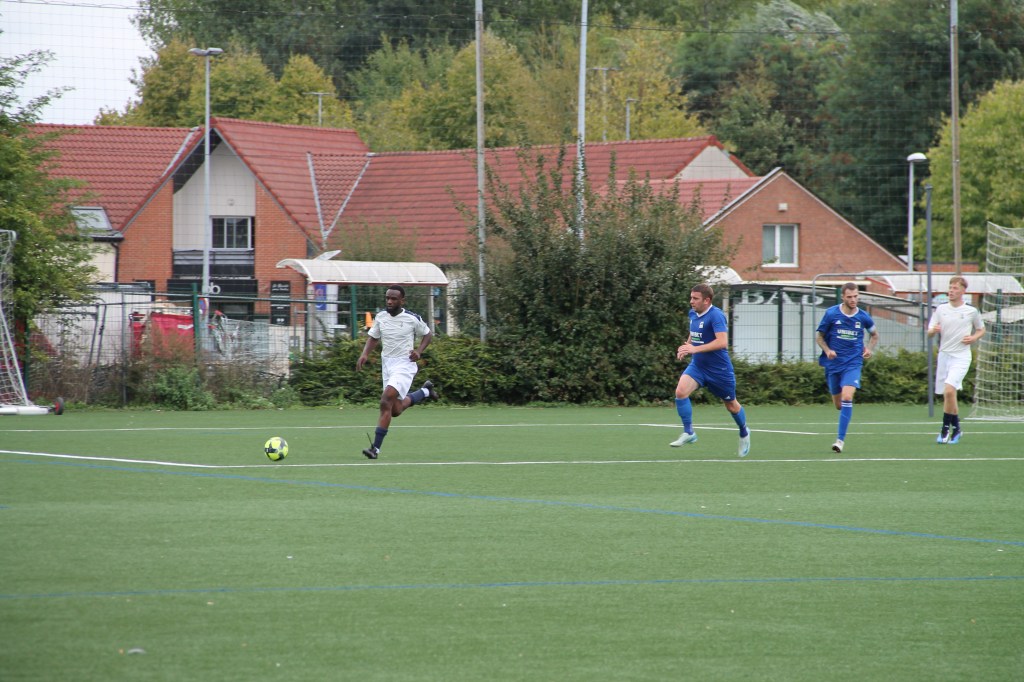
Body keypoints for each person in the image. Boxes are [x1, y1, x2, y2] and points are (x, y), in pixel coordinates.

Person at [356, 285, 438, 459]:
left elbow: (428, 334)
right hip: (387, 364)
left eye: (393, 299)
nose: (389, 301)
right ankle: (425, 391)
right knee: (395, 410)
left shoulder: (411, 318)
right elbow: (373, 337)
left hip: (404, 364)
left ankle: (375, 449)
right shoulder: (381, 317)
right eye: (387, 298)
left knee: (385, 399)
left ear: (402, 301)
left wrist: (419, 351)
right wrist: (364, 354)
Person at [672, 283, 751, 457]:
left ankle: (744, 431)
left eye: (695, 298)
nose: (691, 301)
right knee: (680, 392)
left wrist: (694, 349)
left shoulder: (716, 315)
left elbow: (722, 342)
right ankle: (689, 432)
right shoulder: (693, 313)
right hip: (698, 366)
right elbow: (694, 332)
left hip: (719, 370)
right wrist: (687, 346)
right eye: (691, 297)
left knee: (731, 405)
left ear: (707, 300)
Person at [815, 282, 879, 454]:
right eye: (849, 297)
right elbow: (819, 337)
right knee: (839, 405)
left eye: (856, 296)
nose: (853, 300)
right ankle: (844, 417)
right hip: (834, 365)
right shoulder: (831, 314)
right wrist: (827, 351)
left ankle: (840, 441)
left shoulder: (863, 317)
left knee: (847, 397)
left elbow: (874, 335)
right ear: (842, 297)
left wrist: (869, 349)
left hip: (853, 363)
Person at [927, 276, 985, 444]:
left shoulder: (971, 311)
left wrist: (973, 338)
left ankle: (945, 430)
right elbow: (929, 332)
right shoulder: (941, 309)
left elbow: (981, 329)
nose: (951, 291)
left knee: (949, 391)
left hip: (961, 356)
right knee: (949, 394)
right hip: (944, 355)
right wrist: (933, 331)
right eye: (950, 287)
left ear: (963, 291)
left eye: (955, 288)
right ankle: (957, 429)